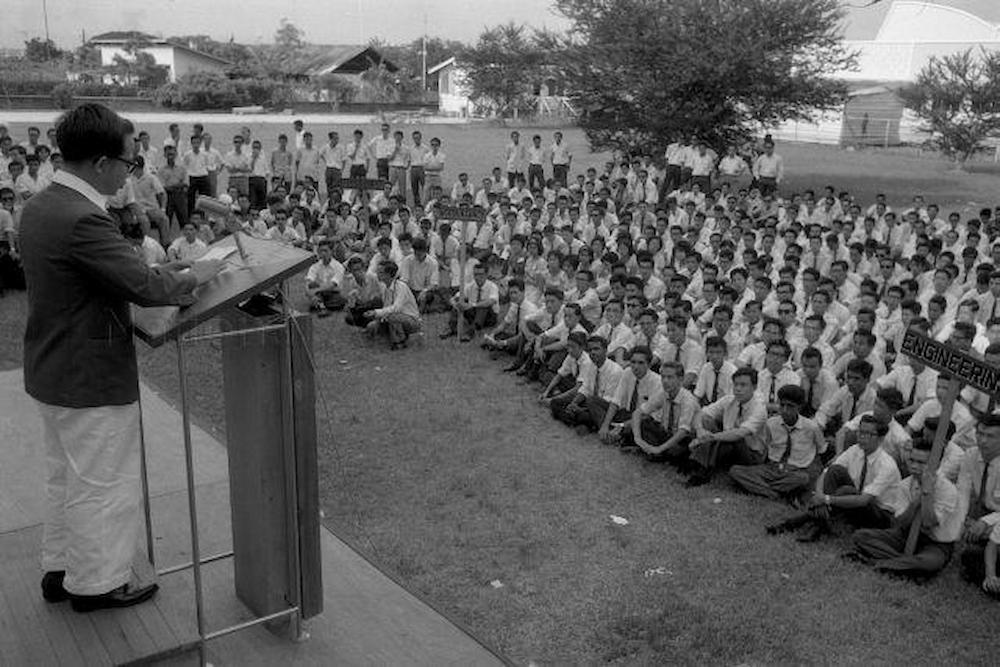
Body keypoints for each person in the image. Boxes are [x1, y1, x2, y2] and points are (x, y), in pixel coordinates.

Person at [19, 103, 223, 612]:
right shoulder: (84, 217)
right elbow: (143, 286)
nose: (132, 173)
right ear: (102, 162)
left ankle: (61, 566)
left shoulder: (44, 205)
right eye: (130, 163)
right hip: (89, 374)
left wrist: (162, 267)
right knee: (104, 483)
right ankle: (96, 583)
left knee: (66, 476)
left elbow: (105, 274)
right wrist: (198, 273)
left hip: (53, 367)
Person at [849, 417, 966, 580]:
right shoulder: (905, 484)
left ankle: (882, 562)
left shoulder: (948, 489)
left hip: (935, 543)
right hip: (905, 534)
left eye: (921, 462)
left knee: (930, 562)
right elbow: (900, 522)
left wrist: (926, 495)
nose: (915, 466)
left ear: (936, 464)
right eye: (912, 460)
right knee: (860, 536)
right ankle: (903, 566)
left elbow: (928, 523)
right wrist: (914, 502)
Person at [768, 415, 902, 542]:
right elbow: (826, 472)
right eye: (860, 432)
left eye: (868, 434)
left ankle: (797, 523)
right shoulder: (855, 450)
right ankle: (818, 524)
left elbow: (863, 500)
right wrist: (819, 495)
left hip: (879, 515)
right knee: (835, 471)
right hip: (855, 502)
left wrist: (826, 499)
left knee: (846, 490)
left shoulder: (887, 465)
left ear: (880, 439)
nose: (862, 437)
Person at [729, 385, 826, 501]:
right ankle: (776, 493)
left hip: (795, 471)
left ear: (799, 408)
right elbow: (764, 448)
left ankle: (763, 489)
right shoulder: (771, 424)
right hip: (772, 468)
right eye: (782, 405)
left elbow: (821, 452)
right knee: (735, 471)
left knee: (803, 479)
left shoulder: (811, 427)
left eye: (790, 406)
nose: (785, 410)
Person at [686, 366, 768, 487]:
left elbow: (740, 433)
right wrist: (700, 431)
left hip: (752, 454)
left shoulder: (759, 409)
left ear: (754, 387)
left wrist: (709, 437)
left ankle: (703, 470)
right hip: (728, 447)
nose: (738, 389)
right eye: (736, 385)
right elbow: (701, 413)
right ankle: (700, 464)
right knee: (706, 421)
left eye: (743, 385)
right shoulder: (729, 400)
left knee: (732, 438)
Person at [957, 414, 1000, 594]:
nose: (982, 440)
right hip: (981, 514)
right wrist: (961, 521)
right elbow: (963, 492)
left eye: (990, 436)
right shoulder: (971, 455)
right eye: (980, 433)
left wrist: (985, 522)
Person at [626, 361, 699, 463]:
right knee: (641, 423)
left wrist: (658, 449)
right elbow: (637, 413)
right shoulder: (663, 393)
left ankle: (656, 452)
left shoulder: (688, 400)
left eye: (670, 377)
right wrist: (638, 439)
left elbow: (683, 431)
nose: (665, 381)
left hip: (683, 439)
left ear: (680, 379)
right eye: (663, 377)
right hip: (665, 434)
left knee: (677, 450)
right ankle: (648, 449)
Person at [365, 259, 422, 349]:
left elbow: (396, 308)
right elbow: (386, 307)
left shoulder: (401, 286)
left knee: (392, 316)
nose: (377, 275)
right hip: (394, 318)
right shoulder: (384, 287)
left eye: (380, 272)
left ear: (388, 274)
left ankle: (400, 342)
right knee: (371, 327)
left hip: (411, 320)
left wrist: (376, 313)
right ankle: (392, 335)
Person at [306, 240, 346, 316]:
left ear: (331, 251)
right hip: (319, 293)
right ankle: (322, 306)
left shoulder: (339, 267)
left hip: (333, 293)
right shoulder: (315, 266)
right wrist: (310, 293)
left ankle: (320, 305)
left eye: (325, 251)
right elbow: (309, 282)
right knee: (312, 285)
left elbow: (332, 285)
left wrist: (315, 290)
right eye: (321, 251)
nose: (323, 253)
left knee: (339, 300)